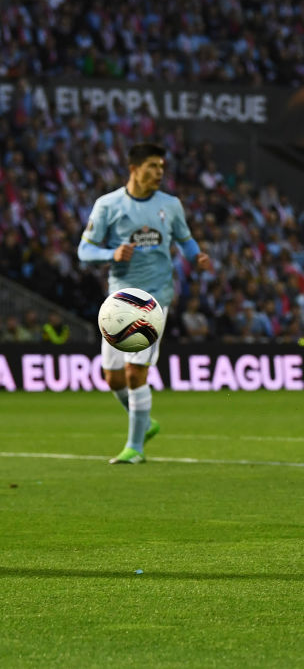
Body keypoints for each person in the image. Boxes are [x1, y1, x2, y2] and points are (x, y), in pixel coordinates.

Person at [78, 142, 211, 464]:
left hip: (154, 299)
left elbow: (185, 240)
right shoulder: (108, 205)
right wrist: (111, 253)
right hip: (119, 300)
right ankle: (145, 421)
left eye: (161, 167)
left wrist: (196, 256)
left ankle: (134, 448)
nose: (159, 172)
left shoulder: (171, 205)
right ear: (134, 169)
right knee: (113, 378)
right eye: (152, 166)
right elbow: (84, 250)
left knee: (135, 372)